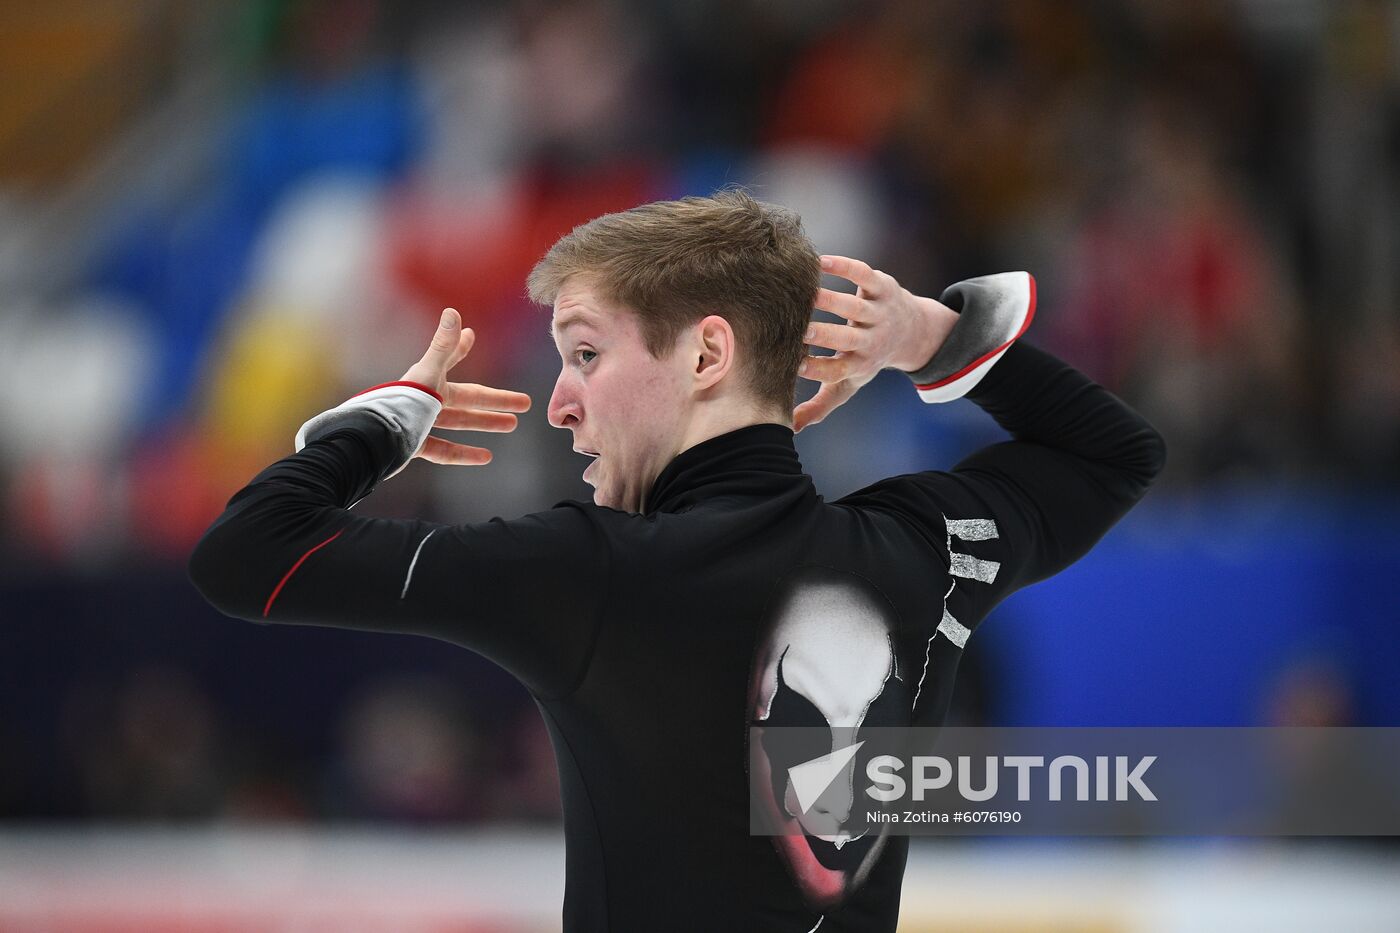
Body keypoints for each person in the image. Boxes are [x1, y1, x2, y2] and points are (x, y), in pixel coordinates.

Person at [188, 190, 1165, 932]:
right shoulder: (922, 548)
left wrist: (379, 424)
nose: (560, 404)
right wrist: (930, 341)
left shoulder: (587, 573)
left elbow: (246, 555)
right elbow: (1113, 454)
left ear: (705, 357)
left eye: (582, 355)